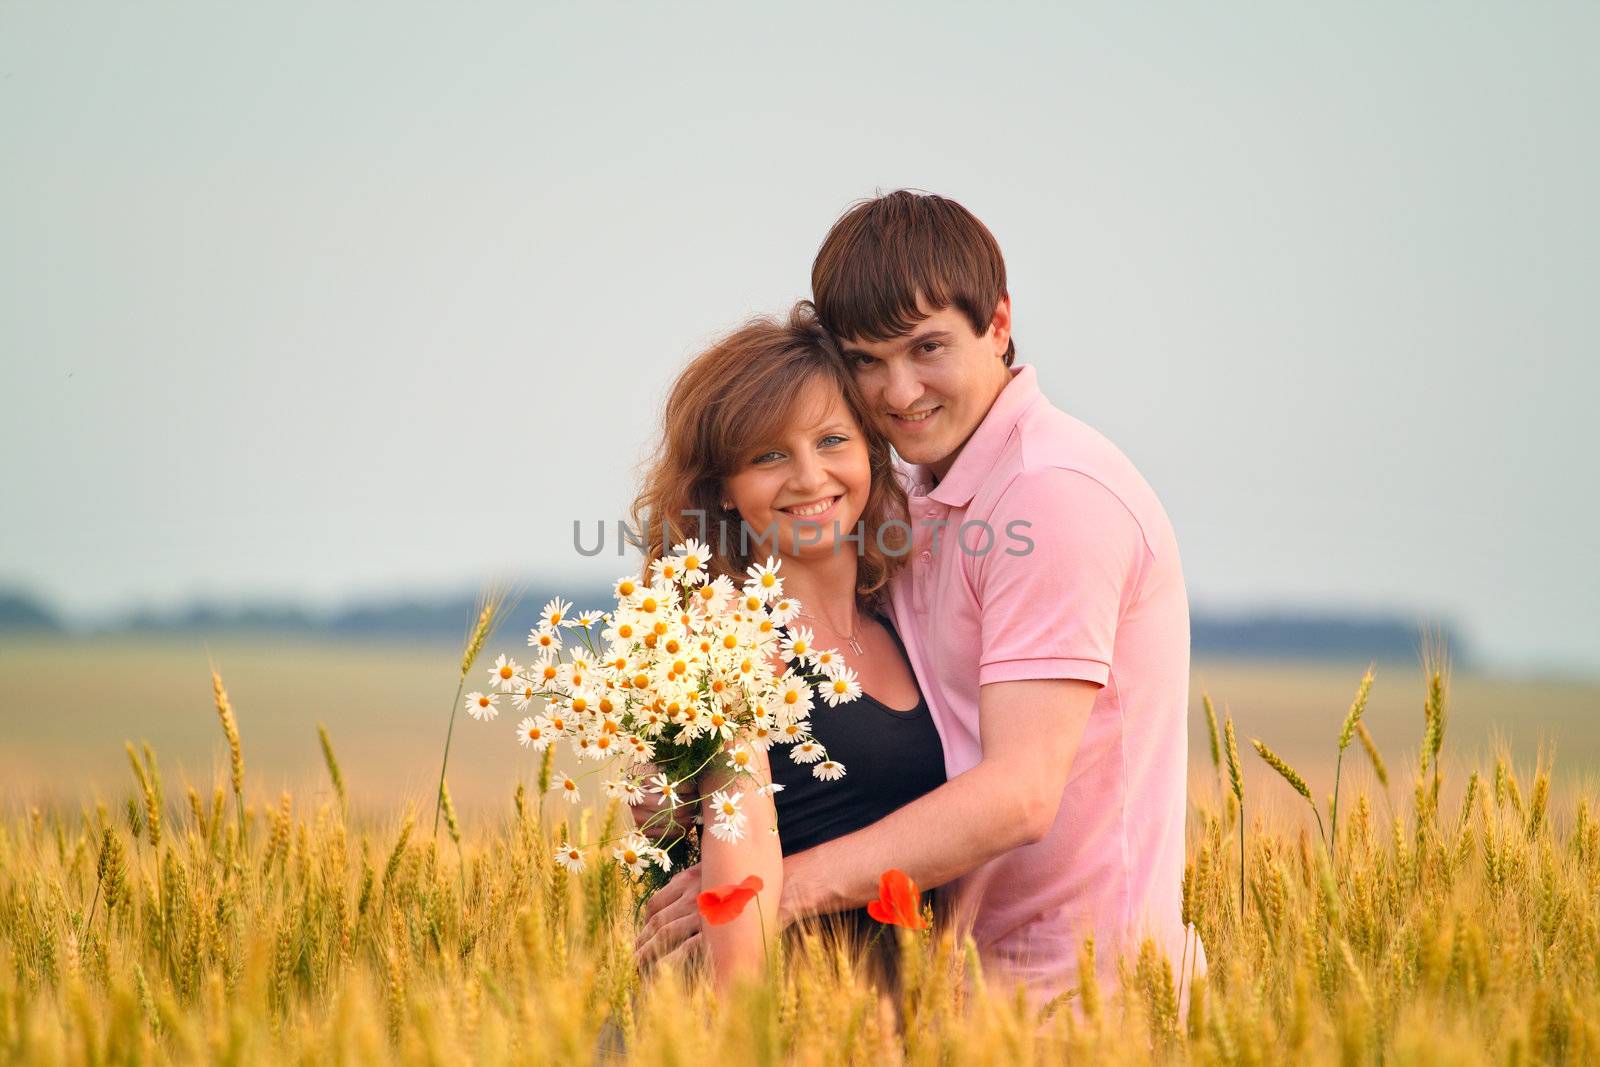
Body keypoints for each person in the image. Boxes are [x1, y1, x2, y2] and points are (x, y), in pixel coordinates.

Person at [637, 190, 1201, 1009]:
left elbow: (1019, 793)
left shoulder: (1053, 494)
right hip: (942, 1000)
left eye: (927, 346)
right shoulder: (908, 497)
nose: (900, 391)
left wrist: (768, 895)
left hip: (1074, 1001)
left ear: (999, 323)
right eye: (866, 360)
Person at [628, 302, 947, 988]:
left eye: (832, 440)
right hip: (777, 1026)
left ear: (869, 448)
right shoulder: (729, 644)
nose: (808, 476)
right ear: (723, 491)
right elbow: (736, 872)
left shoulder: (901, 615)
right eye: (770, 455)